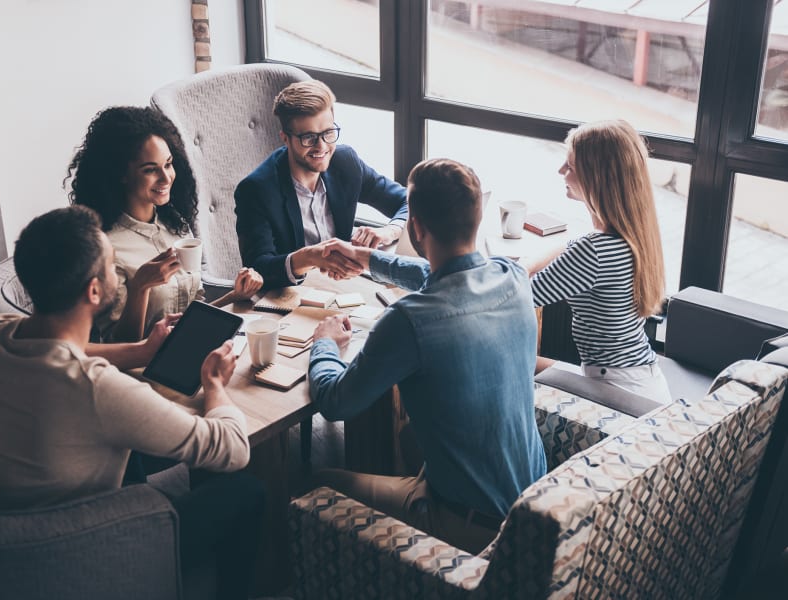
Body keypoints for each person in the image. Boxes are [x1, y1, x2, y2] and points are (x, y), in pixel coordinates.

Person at [0, 206, 263, 599]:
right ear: (94, 290)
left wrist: (141, 351)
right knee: (245, 490)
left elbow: (69, 348)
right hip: (77, 554)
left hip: (4, 536)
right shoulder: (96, 389)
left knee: (153, 452)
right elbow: (232, 449)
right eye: (110, 264)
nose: (117, 271)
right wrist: (214, 385)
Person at [306, 158, 547, 554]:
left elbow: (335, 402)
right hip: (533, 505)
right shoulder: (512, 276)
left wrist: (326, 342)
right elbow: (446, 277)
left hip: (475, 529)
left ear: (415, 228)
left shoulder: (408, 320)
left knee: (316, 481)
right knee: (407, 437)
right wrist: (367, 259)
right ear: (477, 217)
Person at [66, 106, 263, 342]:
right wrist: (140, 287)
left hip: (191, 348)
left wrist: (234, 295)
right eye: (150, 169)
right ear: (121, 174)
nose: (166, 177)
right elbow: (116, 347)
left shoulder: (174, 223)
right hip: (143, 370)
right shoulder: (106, 247)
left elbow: (190, 316)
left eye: (168, 164)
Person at [524, 119, 671, 402]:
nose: (561, 171)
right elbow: (569, 244)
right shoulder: (632, 234)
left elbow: (520, 296)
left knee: (510, 360)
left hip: (618, 396)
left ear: (597, 179)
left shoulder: (594, 251)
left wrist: (521, 268)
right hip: (643, 380)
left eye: (571, 166)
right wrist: (527, 264)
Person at [234, 79, 409, 288]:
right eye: (309, 137)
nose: (322, 147)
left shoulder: (345, 162)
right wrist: (309, 257)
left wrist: (388, 231)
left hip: (346, 287)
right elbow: (258, 269)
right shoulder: (256, 191)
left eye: (328, 133)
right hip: (291, 298)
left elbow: (409, 201)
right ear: (285, 138)